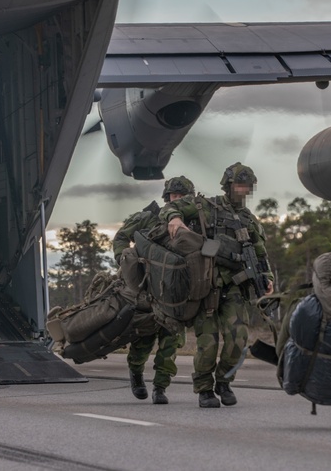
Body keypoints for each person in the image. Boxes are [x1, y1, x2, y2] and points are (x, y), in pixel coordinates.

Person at [160, 163, 273, 408]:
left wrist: (267, 277)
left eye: (246, 186)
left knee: (238, 339)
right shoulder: (207, 207)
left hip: (235, 287)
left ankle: (224, 381)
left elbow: (260, 253)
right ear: (227, 186)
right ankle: (204, 389)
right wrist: (176, 218)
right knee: (207, 342)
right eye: (237, 185)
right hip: (206, 285)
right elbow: (171, 207)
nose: (241, 190)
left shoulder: (248, 220)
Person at [113, 176, 195, 405]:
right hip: (147, 290)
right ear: (166, 197)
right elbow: (121, 237)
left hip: (176, 296)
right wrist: (124, 260)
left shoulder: (195, 225)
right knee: (144, 339)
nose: (176, 199)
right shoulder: (147, 218)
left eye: (182, 197)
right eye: (173, 196)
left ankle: (160, 387)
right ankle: (137, 374)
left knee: (170, 344)